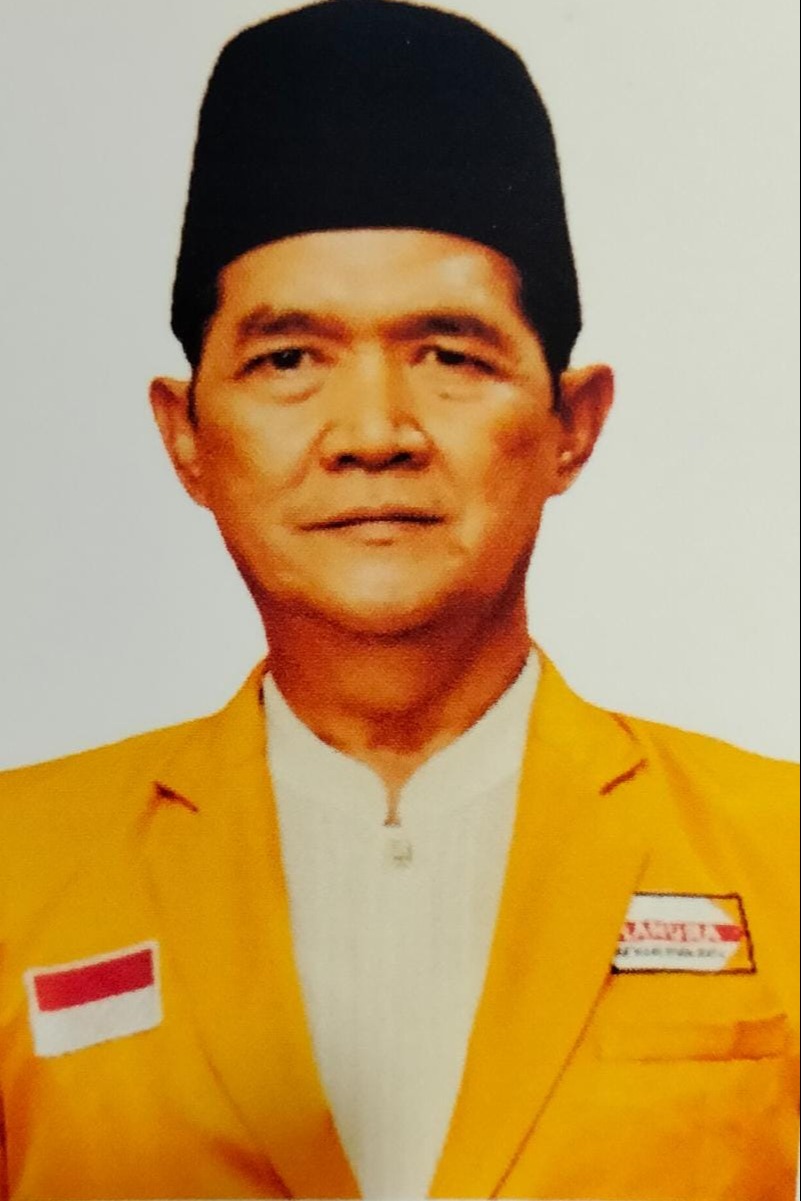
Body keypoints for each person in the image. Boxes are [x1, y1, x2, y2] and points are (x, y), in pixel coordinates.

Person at [0, 2, 797, 1199]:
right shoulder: (19, 873)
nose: (373, 431)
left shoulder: (778, 852)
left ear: (572, 425)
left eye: (450, 355)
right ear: (187, 436)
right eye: (288, 358)